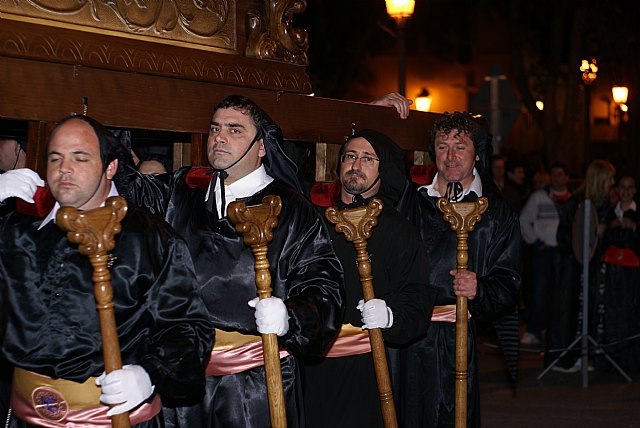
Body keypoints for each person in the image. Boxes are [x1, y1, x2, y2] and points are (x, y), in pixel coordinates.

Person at [121, 95, 343, 427]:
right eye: (215, 129)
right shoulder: (183, 191)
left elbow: (324, 285)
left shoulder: (291, 210)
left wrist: (291, 316)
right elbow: (128, 192)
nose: (219, 137)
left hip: (253, 384)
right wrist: (105, 149)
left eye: (234, 129)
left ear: (261, 146)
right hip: (183, 378)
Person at [0, 114, 213, 427]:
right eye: (55, 158)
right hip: (25, 415)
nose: (64, 169)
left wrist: (150, 373)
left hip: (113, 418)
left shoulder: (150, 238)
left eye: (80, 158)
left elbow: (186, 327)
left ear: (110, 167)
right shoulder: (19, 228)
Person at [303, 129, 436, 428]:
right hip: (314, 364)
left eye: (367, 159)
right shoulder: (317, 222)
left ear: (383, 169)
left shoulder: (398, 230)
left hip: (368, 363)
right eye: (350, 156)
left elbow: (416, 294)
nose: (355, 165)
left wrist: (391, 315)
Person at [396, 111, 521, 427]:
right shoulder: (412, 198)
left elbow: (509, 280)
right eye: (441, 146)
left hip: (456, 337)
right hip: (407, 333)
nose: (450, 156)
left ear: (477, 154)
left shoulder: (496, 211)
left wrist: (481, 289)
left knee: (452, 415)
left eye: (460, 146)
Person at [546, 159, 616, 373]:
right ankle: (565, 358)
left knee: (592, 310)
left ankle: (587, 356)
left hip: (595, 268)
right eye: (610, 178)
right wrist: (592, 234)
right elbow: (564, 235)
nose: (613, 182)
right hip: (573, 267)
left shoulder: (605, 204)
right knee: (570, 310)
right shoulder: (576, 202)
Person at [519, 162, 571, 346]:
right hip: (544, 252)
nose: (557, 178)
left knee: (560, 292)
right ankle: (534, 329)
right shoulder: (539, 197)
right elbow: (524, 221)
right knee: (540, 291)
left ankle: (554, 329)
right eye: (554, 174)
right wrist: (536, 241)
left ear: (566, 177)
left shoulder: (572, 199)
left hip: (564, 253)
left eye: (560, 174)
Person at [595, 175, 640, 372]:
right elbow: (598, 243)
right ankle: (611, 361)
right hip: (612, 273)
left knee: (631, 314)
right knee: (611, 314)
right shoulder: (608, 213)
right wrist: (605, 231)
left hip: (633, 276)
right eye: (622, 187)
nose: (626, 191)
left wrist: (635, 228)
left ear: (635, 191)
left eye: (630, 187)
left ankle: (631, 361)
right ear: (617, 189)